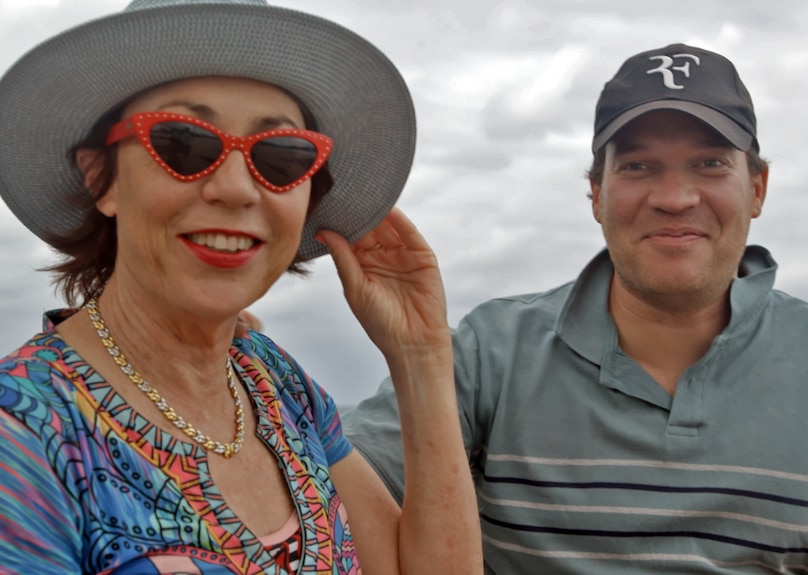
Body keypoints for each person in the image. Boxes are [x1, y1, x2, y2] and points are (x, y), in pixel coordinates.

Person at [0, 1, 482, 573]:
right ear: (101, 178)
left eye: (281, 155)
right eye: (182, 143)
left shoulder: (274, 381)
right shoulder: (25, 435)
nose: (236, 190)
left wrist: (421, 354)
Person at [343, 43, 808, 574]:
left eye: (709, 164)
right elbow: (321, 504)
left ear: (757, 188)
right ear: (596, 193)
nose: (676, 197)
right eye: (639, 165)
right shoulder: (488, 353)